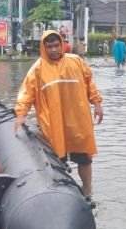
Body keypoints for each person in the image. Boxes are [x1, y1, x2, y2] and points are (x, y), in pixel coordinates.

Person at [14, 30, 104, 197]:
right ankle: (62, 194)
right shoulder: (37, 70)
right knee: (56, 160)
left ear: (62, 45)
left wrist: (97, 103)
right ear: (44, 48)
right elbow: (26, 94)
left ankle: (87, 191)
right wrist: (21, 114)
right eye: (50, 47)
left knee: (84, 158)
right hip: (53, 123)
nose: (54, 50)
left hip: (78, 119)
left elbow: (89, 83)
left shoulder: (76, 62)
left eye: (56, 45)